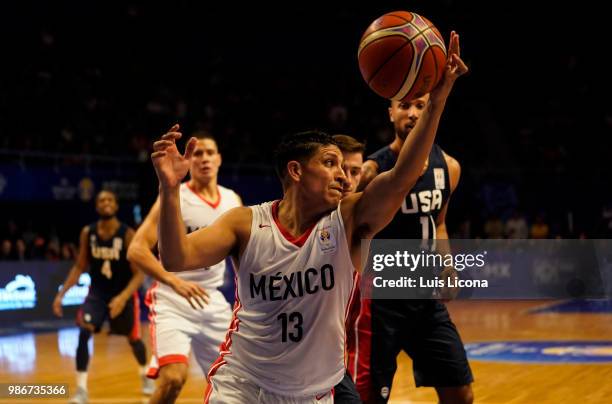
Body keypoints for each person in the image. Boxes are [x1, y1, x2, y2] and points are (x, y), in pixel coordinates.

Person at [151, 31, 466, 404]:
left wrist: (439, 99)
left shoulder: (349, 218)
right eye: (330, 163)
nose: (342, 175)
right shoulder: (245, 223)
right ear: (297, 172)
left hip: (315, 393)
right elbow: (176, 258)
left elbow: (403, 176)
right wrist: (170, 189)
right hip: (243, 386)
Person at [350, 97, 473, 402]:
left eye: (420, 105)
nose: (413, 113)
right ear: (390, 112)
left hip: (425, 298)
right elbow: (353, 230)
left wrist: (447, 267)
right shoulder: (371, 170)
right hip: (381, 302)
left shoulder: (450, 167)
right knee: (371, 397)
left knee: (461, 393)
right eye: (404, 106)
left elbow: (439, 223)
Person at [127, 132, 242, 404]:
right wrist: (175, 282)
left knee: (236, 384)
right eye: (198, 153)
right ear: (189, 160)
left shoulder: (232, 200)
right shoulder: (175, 195)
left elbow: (242, 254)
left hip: (212, 301)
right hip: (172, 298)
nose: (204, 158)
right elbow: (136, 249)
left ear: (219, 159)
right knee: (173, 380)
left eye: (210, 152)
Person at [53, 190, 154, 404]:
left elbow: (139, 274)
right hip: (97, 293)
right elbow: (80, 265)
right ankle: (81, 390)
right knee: (83, 331)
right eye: (101, 200)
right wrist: (61, 294)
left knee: (134, 339)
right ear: (97, 206)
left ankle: (145, 375)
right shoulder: (87, 233)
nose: (105, 203)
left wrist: (123, 297)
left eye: (109, 200)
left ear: (116, 206)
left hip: (123, 293)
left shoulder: (127, 234)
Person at [332, 134, 366, 404]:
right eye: (342, 169)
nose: (347, 178)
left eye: (356, 171)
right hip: (280, 361)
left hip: (327, 360)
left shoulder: (360, 213)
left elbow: (402, 177)